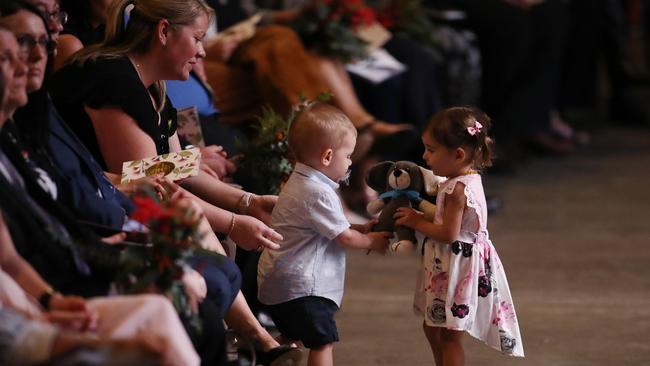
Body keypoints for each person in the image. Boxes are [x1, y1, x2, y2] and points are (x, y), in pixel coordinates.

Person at [257, 102, 391, 366]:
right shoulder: (317, 193)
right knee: (322, 342)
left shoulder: (300, 182)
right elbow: (344, 238)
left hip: (280, 286)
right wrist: (371, 240)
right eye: (349, 155)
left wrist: (360, 228)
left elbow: (329, 227)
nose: (351, 162)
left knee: (292, 335)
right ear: (328, 157)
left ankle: (271, 357)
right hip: (303, 289)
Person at [393, 106, 524, 364]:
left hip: (458, 267)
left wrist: (415, 221)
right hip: (448, 263)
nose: (424, 156)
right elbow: (447, 219)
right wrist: (418, 205)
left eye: (431, 150)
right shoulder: (463, 179)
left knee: (450, 335)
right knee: (432, 327)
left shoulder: (458, 190)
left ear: (458, 154)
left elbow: (448, 233)